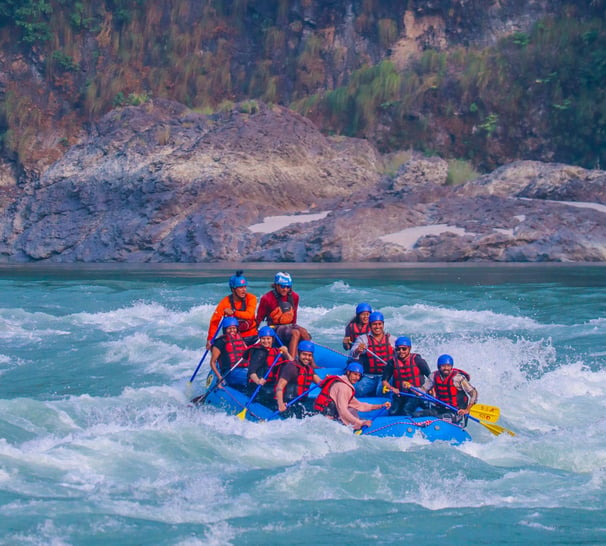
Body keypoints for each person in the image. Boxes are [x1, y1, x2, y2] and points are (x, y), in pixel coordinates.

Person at [314, 362, 391, 431]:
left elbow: (359, 405)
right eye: (355, 374)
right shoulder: (343, 387)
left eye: (359, 375)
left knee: (352, 410)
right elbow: (343, 412)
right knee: (352, 413)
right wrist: (360, 423)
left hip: (327, 417)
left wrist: (380, 406)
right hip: (326, 419)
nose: (357, 378)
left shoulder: (346, 384)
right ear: (348, 372)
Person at [255, 271, 311, 358]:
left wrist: (296, 327)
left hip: (289, 325)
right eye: (282, 286)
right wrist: (256, 332)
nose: (285, 289)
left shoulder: (295, 296)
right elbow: (259, 318)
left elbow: (294, 315)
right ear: (276, 285)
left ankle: (311, 362)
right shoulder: (267, 298)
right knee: (295, 333)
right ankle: (291, 361)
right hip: (274, 327)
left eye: (288, 287)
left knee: (304, 332)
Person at [419, 354, 478, 425]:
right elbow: (423, 390)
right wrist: (411, 388)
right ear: (439, 367)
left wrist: (467, 410)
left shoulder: (458, 378)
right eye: (443, 366)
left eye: (448, 366)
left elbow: (474, 393)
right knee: (418, 414)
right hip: (440, 408)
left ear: (451, 366)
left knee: (437, 419)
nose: (446, 368)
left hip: (456, 411)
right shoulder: (433, 376)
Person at [206, 270, 258, 349]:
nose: (244, 290)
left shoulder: (251, 298)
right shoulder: (225, 302)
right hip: (233, 338)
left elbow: (249, 315)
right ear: (233, 289)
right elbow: (215, 321)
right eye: (240, 287)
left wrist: (233, 312)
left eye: (245, 287)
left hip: (252, 336)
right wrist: (210, 339)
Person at [349, 311, 395, 397]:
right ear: (370, 325)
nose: (377, 327)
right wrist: (358, 351)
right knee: (358, 391)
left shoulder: (392, 339)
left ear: (383, 324)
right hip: (369, 376)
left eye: (379, 324)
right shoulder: (363, 339)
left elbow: (403, 356)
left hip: (385, 376)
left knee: (381, 392)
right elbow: (352, 355)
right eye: (374, 324)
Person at [381, 336, 431, 416]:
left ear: (409, 349)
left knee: (406, 410)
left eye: (404, 349)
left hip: (416, 394)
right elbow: (384, 381)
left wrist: (424, 390)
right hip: (400, 394)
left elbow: (431, 378)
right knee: (393, 412)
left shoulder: (418, 360)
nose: (401, 351)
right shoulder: (392, 362)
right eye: (398, 349)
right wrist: (392, 389)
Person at [246, 326, 291, 407]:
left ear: (272, 339)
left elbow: (293, 364)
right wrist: (258, 381)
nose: (266, 341)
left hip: (270, 384)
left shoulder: (276, 351)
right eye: (263, 339)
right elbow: (251, 372)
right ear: (260, 339)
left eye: (268, 339)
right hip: (258, 386)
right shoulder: (259, 353)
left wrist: (286, 353)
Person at [275, 340, 322, 418]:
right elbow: (279, 387)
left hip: (301, 403)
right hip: (288, 403)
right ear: (299, 354)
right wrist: (280, 404)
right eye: (304, 354)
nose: (307, 358)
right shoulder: (291, 368)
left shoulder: (308, 369)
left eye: (309, 355)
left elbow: (321, 383)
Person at [208, 317, 250, 391]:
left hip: (244, 369)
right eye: (229, 328)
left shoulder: (240, 340)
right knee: (252, 378)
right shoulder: (220, 342)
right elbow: (212, 362)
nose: (232, 330)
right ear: (225, 330)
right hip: (230, 372)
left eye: (234, 328)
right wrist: (219, 377)